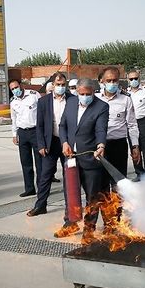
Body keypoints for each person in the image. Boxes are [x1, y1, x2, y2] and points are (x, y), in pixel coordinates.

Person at [55, 78, 109, 244]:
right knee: (70, 193)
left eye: (88, 94)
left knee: (92, 196)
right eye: (82, 94)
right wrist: (64, 142)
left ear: (93, 92)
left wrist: (101, 145)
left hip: (90, 158)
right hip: (71, 157)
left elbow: (101, 129)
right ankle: (70, 223)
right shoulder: (71, 103)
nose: (85, 97)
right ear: (76, 92)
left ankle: (89, 230)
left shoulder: (101, 107)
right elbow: (62, 125)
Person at [27, 73, 73, 217]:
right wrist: (41, 144)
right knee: (45, 176)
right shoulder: (44, 101)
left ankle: (70, 207)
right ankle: (40, 205)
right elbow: (39, 125)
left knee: (69, 176)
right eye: (57, 84)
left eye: (63, 85)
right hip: (51, 143)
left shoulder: (73, 100)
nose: (60, 87)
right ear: (52, 85)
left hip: (68, 144)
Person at [97, 67, 141, 190]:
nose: (112, 83)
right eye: (109, 80)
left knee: (119, 182)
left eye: (115, 80)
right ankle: (106, 209)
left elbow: (132, 125)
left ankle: (117, 209)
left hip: (119, 145)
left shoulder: (125, 99)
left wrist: (135, 146)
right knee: (102, 182)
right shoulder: (96, 99)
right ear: (102, 81)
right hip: (100, 146)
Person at [9, 79, 42, 197]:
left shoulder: (34, 95)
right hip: (22, 133)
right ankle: (29, 188)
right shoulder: (13, 101)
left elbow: (42, 112)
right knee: (26, 162)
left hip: (35, 131)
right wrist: (14, 134)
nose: (15, 90)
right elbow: (14, 119)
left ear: (21, 86)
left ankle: (41, 188)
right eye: (12, 89)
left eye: (16, 87)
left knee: (40, 162)